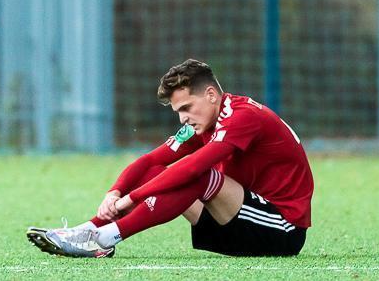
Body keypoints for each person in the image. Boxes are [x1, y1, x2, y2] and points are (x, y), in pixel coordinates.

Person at [27, 59, 313, 257]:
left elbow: (194, 167)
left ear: (211, 95)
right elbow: (151, 161)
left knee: (200, 175)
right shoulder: (201, 124)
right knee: (156, 171)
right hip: (237, 224)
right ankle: (88, 230)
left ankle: (103, 239)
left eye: (187, 107)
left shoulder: (242, 117)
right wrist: (114, 192)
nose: (183, 118)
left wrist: (131, 199)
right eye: (178, 111)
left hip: (282, 230)